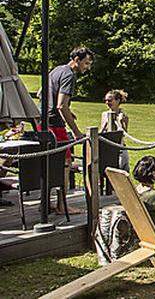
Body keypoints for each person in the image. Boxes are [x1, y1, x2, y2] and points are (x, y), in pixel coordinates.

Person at [40, 46, 94, 214]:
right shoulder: (69, 75)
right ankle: (62, 206)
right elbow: (61, 105)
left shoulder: (57, 70)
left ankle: (45, 203)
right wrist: (77, 132)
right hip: (56, 125)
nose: (88, 67)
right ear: (76, 60)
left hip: (43, 123)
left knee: (48, 164)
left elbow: (41, 93)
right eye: (86, 63)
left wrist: (66, 111)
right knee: (65, 164)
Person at [99, 89, 130, 171]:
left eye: (110, 100)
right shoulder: (104, 114)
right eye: (105, 100)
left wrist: (120, 122)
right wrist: (106, 123)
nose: (107, 103)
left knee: (122, 170)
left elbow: (124, 134)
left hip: (120, 147)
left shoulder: (124, 116)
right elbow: (101, 132)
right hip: (107, 147)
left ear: (117, 101)